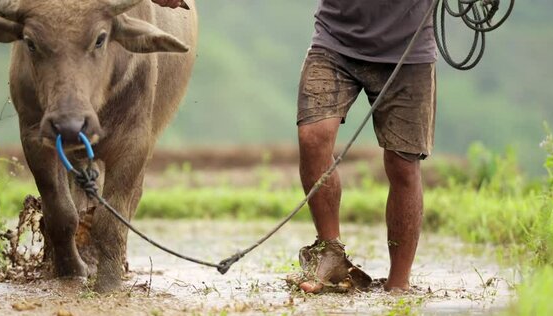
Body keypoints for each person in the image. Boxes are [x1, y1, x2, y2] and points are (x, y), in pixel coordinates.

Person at [153, 0, 437, 293]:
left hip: (409, 50)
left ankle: (399, 282)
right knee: (313, 137)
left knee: (403, 164)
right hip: (335, 39)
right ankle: (330, 253)